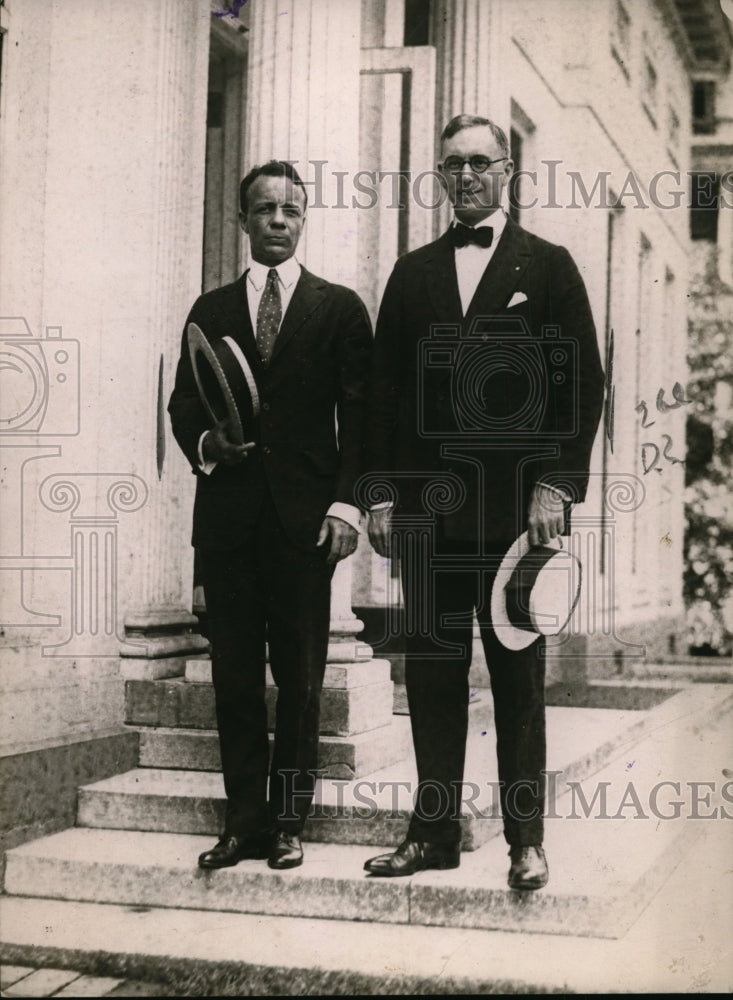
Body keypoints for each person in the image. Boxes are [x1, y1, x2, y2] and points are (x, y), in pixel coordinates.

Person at [363, 115, 605, 889]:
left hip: (512, 519)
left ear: (506, 171)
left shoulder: (549, 265)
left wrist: (555, 485)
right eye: (451, 165)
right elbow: (381, 396)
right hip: (428, 515)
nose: (464, 176)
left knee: (516, 682)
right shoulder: (411, 273)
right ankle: (432, 832)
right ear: (439, 176)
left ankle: (525, 842)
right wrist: (378, 497)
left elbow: (581, 385)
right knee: (431, 676)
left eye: (478, 162)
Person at [169, 160, 372, 871]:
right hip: (227, 523)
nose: (277, 220)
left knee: (300, 677)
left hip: (305, 526)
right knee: (233, 678)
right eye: (263, 209)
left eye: (289, 209)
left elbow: (362, 417)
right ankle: (244, 824)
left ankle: (288, 821)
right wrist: (208, 446)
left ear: (304, 217)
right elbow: (183, 410)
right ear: (242, 220)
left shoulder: (339, 308)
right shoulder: (210, 309)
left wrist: (348, 506)